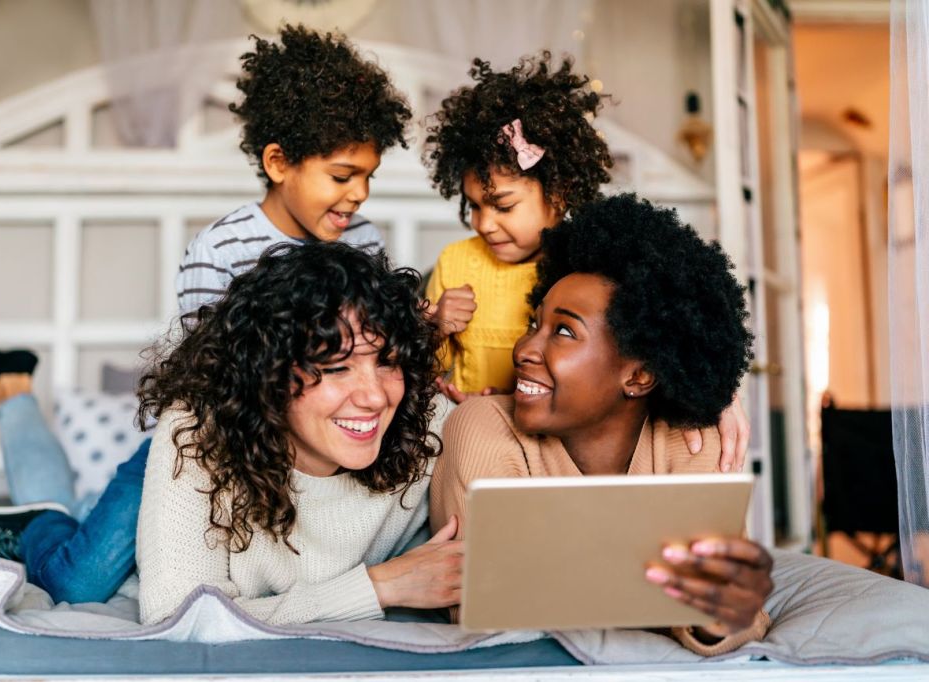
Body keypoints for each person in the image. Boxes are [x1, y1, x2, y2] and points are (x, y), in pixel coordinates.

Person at [0, 24, 414, 606]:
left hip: (303, 447)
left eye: (368, 176)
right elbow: (211, 379)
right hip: (212, 435)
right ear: (279, 162)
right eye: (342, 176)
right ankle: (36, 528)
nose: (359, 194)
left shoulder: (360, 241)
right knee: (80, 582)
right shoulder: (220, 248)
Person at [430, 194, 772, 655]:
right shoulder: (483, 428)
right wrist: (658, 599)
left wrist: (713, 617)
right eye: (534, 324)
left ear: (639, 375)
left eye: (564, 331)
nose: (525, 350)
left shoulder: (687, 441)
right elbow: (484, 602)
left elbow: (734, 615)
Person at [422, 52, 749, 471]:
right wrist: (436, 327)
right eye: (473, 207)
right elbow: (428, 368)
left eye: (502, 206)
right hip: (480, 430)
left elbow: (667, 336)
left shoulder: (585, 270)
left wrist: (720, 393)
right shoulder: (456, 262)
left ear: (557, 194)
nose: (484, 224)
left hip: (564, 440)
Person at [138, 241, 461, 625]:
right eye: (338, 367)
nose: (375, 397)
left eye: (388, 362)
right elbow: (176, 617)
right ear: (268, 374)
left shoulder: (430, 419)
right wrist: (380, 586)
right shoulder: (196, 431)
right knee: (84, 579)